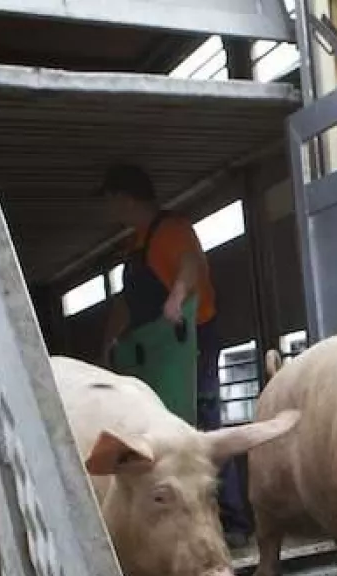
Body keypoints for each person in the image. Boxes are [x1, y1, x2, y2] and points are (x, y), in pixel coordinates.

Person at [97, 163, 252, 548]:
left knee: (203, 425)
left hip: (190, 341)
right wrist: (107, 343)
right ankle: (176, 526)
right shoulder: (135, 245)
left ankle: (233, 521)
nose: (108, 210)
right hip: (159, 351)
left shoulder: (172, 230)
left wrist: (176, 297)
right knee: (169, 432)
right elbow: (126, 302)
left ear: (125, 198)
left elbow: (189, 264)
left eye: (110, 201)